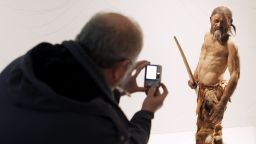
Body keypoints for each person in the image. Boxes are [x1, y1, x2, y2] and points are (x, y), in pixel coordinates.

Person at [0, 12, 168, 144]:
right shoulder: (97, 127)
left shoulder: (20, 66)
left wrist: (119, 90)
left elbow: (76, 90)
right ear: (121, 68)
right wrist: (147, 112)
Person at [188, 6, 240, 144]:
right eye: (216, 21)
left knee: (204, 132)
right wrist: (194, 77)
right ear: (210, 19)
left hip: (213, 93)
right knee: (215, 130)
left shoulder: (230, 44)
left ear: (230, 22)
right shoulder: (207, 37)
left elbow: (235, 74)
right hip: (202, 90)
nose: (219, 25)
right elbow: (202, 59)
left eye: (223, 22)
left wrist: (222, 103)